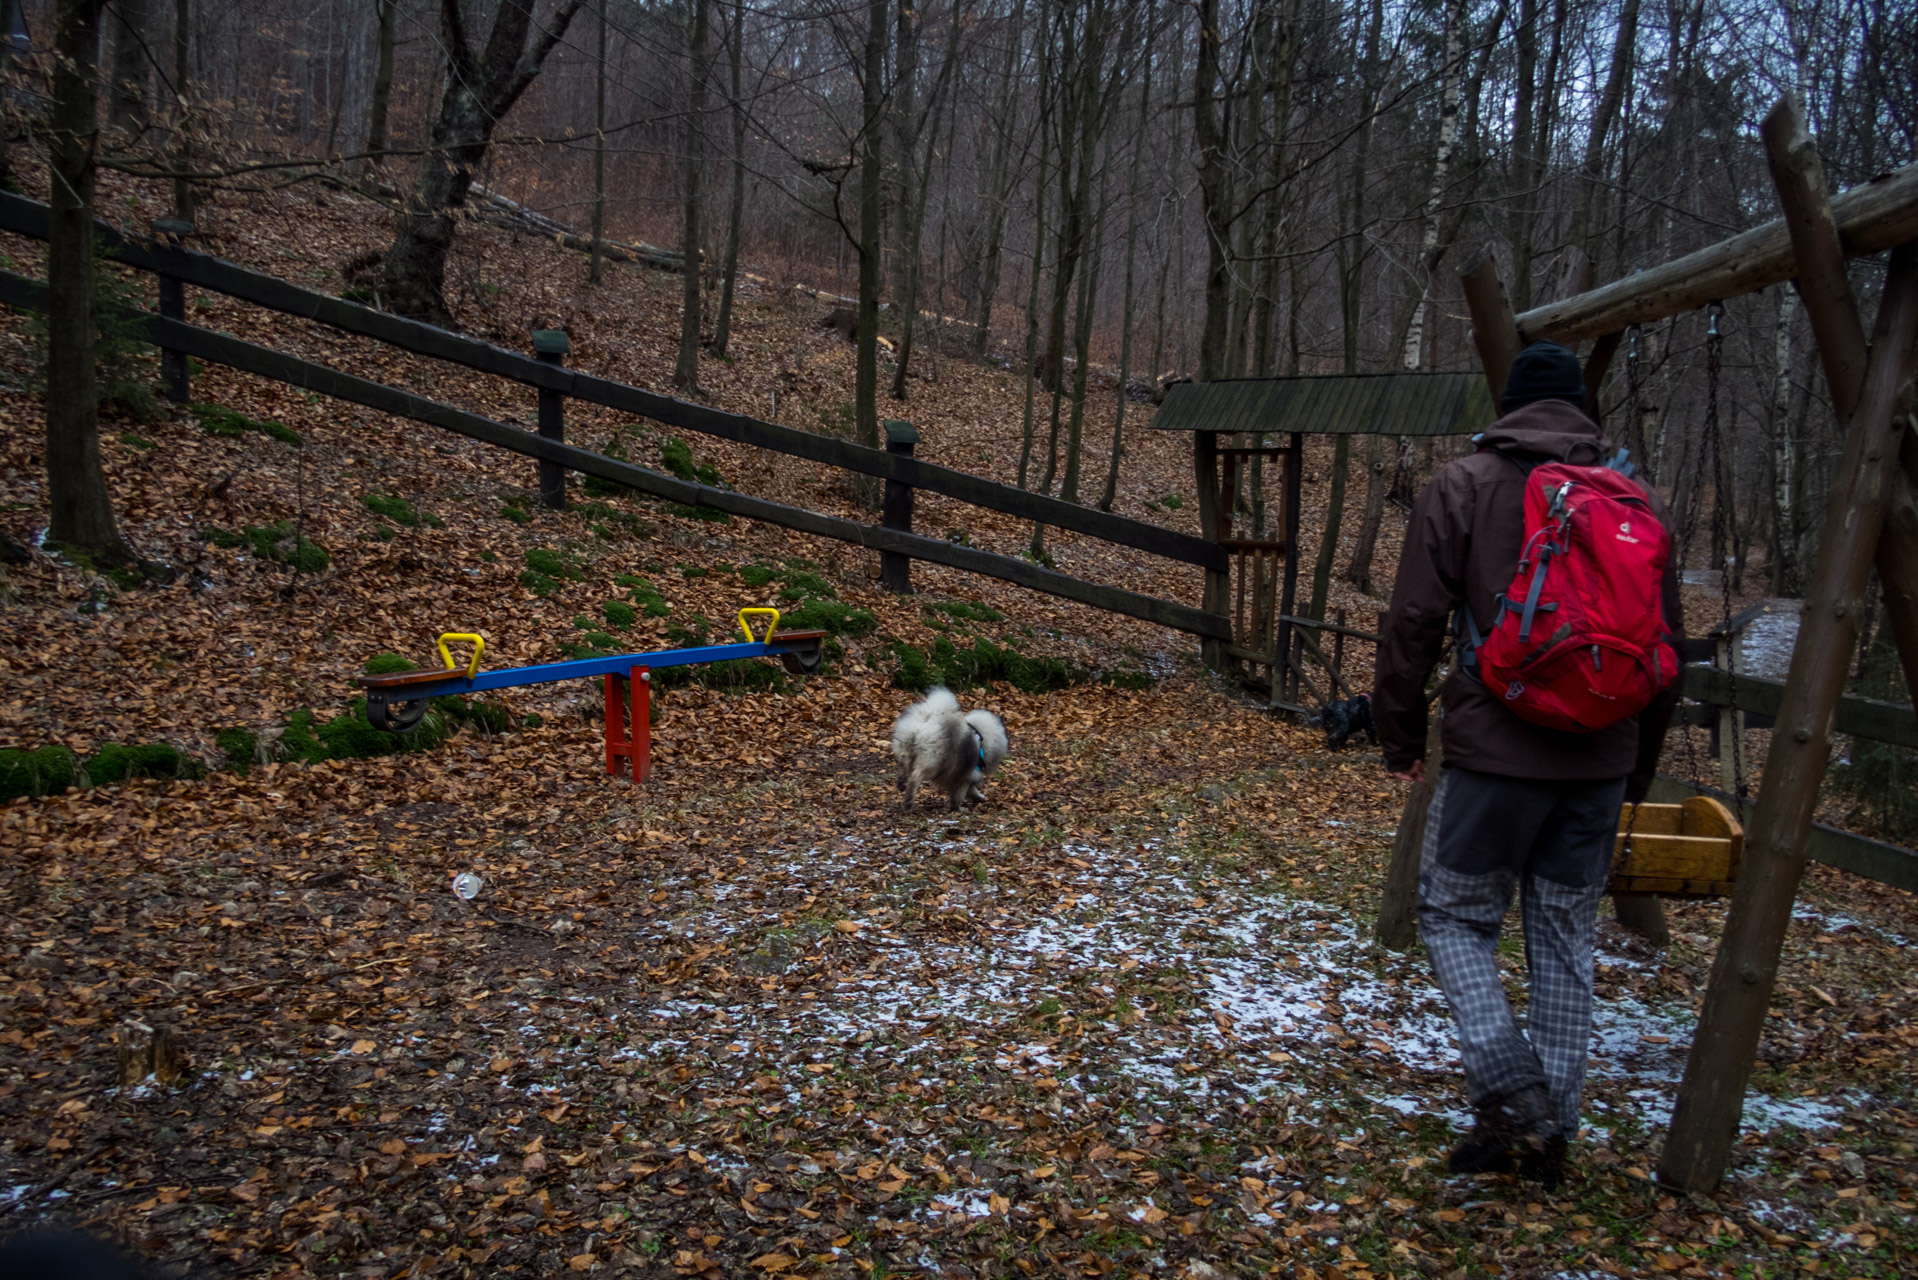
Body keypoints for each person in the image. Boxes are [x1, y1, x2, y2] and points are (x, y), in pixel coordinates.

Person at [1373, 340, 1683, 1187]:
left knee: (1453, 919)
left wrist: (1397, 736)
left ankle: (1511, 1092)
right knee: (1563, 940)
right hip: (1600, 762)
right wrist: (1636, 771)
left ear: (1507, 407)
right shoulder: (1633, 499)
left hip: (1495, 753)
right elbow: (1666, 651)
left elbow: (1411, 623)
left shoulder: (1464, 485)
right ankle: (1551, 1135)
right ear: (1580, 410)